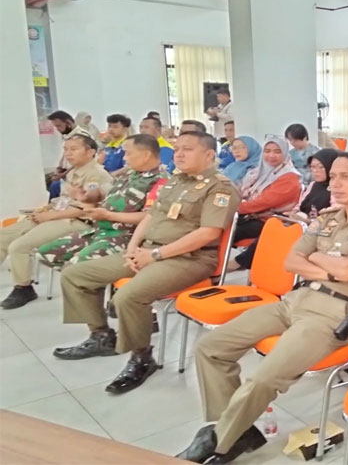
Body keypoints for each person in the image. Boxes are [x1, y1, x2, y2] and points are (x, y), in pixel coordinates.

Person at [176, 152, 348, 464]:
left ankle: (219, 443)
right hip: (295, 301)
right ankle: (234, 429)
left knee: (263, 379)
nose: (335, 184)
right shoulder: (327, 219)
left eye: (346, 177)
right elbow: (292, 261)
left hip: (334, 314)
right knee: (211, 348)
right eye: (333, 177)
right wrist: (330, 267)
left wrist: (317, 259)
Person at [52, 131, 240, 395]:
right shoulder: (175, 181)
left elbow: (207, 234)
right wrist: (133, 248)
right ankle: (101, 336)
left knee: (128, 297)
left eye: (187, 149)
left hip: (189, 259)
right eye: (177, 148)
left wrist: (156, 255)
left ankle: (141, 357)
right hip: (149, 251)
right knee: (75, 274)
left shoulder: (220, 188)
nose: (179, 154)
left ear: (209, 154)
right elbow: (151, 216)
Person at [0, 135, 113, 309]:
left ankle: (23, 288)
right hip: (59, 215)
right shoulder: (73, 172)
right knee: (3, 236)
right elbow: (64, 199)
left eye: (73, 149)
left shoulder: (96, 174)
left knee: (19, 246)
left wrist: (50, 216)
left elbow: (87, 208)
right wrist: (46, 209)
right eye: (66, 149)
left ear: (90, 152)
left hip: (77, 222)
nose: (68, 153)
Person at [38, 135, 168, 267]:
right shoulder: (130, 173)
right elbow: (106, 194)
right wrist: (86, 196)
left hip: (123, 236)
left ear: (146, 155)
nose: (124, 158)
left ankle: (87, 278)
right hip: (100, 229)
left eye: (128, 153)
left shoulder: (160, 180)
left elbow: (149, 217)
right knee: (45, 253)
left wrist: (108, 215)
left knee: (75, 266)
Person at [229, 148, 339, 272]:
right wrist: (293, 213)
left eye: (320, 167)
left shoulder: (336, 188)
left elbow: (334, 216)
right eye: (312, 167)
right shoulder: (314, 185)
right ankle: (256, 268)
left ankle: (243, 264)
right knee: (273, 230)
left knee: (275, 235)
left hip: (316, 230)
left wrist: (307, 221)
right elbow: (299, 205)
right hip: (299, 223)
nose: (315, 171)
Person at [234, 135, 302, 242]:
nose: (271, 155)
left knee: (226, 231)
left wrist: (234, 208)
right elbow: (239, 191)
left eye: (277, 152)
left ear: (285, 153)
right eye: (267, 151)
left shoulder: (289, 177)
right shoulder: (256, 172)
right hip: (250, 215)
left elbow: (264, 202)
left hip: (272, 221)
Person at [45, 110, 93, 197]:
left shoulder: (82, 136)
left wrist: (63, 174)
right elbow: (65, 155)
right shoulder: (68, 136)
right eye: (56, 126)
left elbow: (80, 160)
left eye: (59, 126)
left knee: (55, 187)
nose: (57, 129)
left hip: (79, 175)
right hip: (67, 173)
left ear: (68, 123)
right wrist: (58, 169)